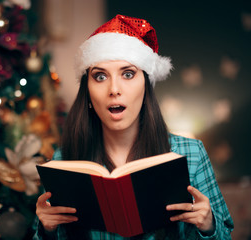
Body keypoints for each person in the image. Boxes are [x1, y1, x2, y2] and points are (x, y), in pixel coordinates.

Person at [33, 15, 234, 239]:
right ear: (88, 93)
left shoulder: (192, 154)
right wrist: (47, 230)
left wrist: (208, 224)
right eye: (100, 76)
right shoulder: (65, 161)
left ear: (146, 87)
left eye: (128, 74)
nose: (114, 89)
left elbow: (225, 233)